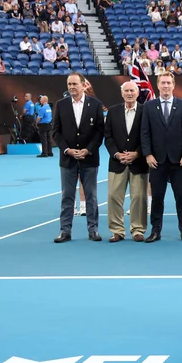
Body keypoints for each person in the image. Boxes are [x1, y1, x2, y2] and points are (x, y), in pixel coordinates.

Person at [52, 72, 105, 242]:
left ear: (83, 85)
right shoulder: (60, 105)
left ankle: (93, 230)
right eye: (69, 84)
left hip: (89, 159)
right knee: (67, 196)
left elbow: (99, 132)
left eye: (75, 84)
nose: (72, 87)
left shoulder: (96, 105)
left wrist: (87, 150)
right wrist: (67, 150)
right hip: (67, 160)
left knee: (91, 195)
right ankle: (65, 231)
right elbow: (56, 132)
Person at [141, 72, 182, 242]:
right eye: (163, 83)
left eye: (168, 83)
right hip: (156, 161)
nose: (165, 86)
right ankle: (155, 230)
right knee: (157, 198)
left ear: (173, 85)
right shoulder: (149, 107)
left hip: (178, 161)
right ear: (158, 85)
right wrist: (148, 155)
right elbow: (145, 133)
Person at [104, 81, 149, 242]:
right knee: (113, 196)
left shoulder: (146, 111)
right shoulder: (113, 112)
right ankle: (117, 230)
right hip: (117, 163)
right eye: (126, 91)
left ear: (138, 93)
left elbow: (147, 137)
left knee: (139, 197)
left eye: (132, 91)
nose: (129, 93)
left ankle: (138, 229)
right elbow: (108, 137)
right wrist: (117, 154)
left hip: (139, 163)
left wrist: (137, 154)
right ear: (122, 93)